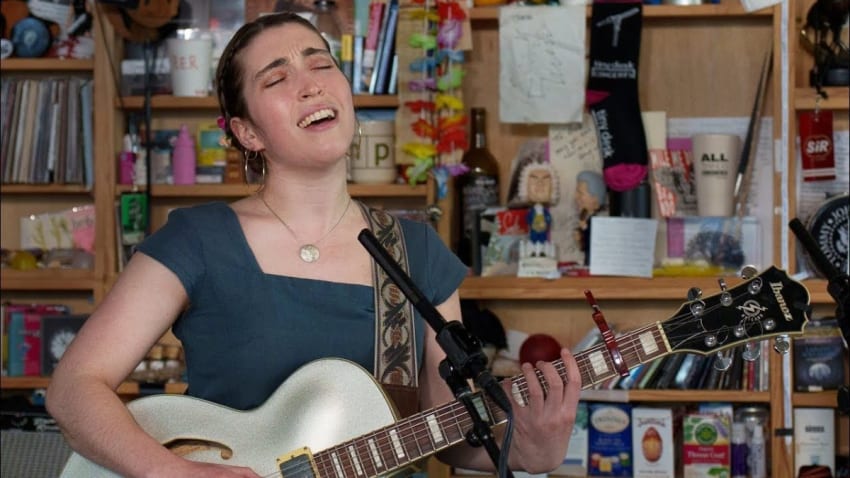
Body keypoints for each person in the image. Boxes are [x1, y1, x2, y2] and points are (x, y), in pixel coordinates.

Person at [46, 12, 582, 477]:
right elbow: (74, 389)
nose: (311, 85)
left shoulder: (415, 252)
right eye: (277, 78)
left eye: (321, 63)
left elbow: (453, 442)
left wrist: (534, 448)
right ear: (246, 132)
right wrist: (170, 470)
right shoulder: (199, 239)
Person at [573, 170, 607, 266]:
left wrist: (585, 230)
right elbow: (585, 247)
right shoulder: (586, 218)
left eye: (580, 193)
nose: (576, 197)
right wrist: (580, 239)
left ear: (595, 199)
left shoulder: (598, 222)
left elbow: (595, 244)